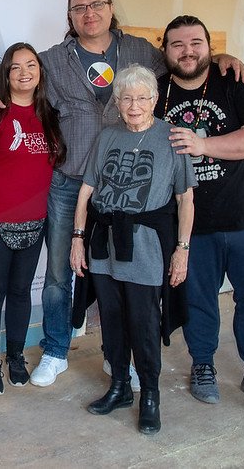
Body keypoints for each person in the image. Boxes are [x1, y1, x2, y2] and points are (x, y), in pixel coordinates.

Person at [0, 0, 244, 387]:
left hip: (124, 191)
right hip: (70, 186)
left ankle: (116, 355)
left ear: (109, 9)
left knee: (118, 275)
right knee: (57, 274)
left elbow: (185, 63)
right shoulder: (51, 60)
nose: (89, 13)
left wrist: (222, 57)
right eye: (79, 7)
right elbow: (18, 82)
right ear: (69, 17)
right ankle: (55, 349)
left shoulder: (140, 51)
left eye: (97, 4)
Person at [154, 14, 244, 416]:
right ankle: (203, 366)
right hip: (192, 227)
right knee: (197, 303)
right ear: (165, 51)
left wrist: (202, 144)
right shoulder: (156, 93)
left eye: (196, 42)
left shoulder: (236, 81)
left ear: (209, 47)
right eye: (177, 44)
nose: (187, 51)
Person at [69, 65, 195, 435]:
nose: (134, 105)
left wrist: (182, 249)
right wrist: (77, 238)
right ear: (118, 103)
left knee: (143, 323)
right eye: (126, 98)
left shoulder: (172, 138)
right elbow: (86, 192)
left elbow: (185, 201)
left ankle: (150, 395)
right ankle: (120, 386)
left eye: (142, 97)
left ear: (155, 100)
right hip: (104, 244)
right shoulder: (107, 136)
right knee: (111, 318)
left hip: (146, 247)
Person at [0, 42, 66, 396]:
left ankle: (16, 356)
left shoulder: (49, 114)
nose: (25, 73)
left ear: (40, 72)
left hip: (34, 222)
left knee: (21, 292)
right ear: (6, 74)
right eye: (16, 67)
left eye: (31, 65)